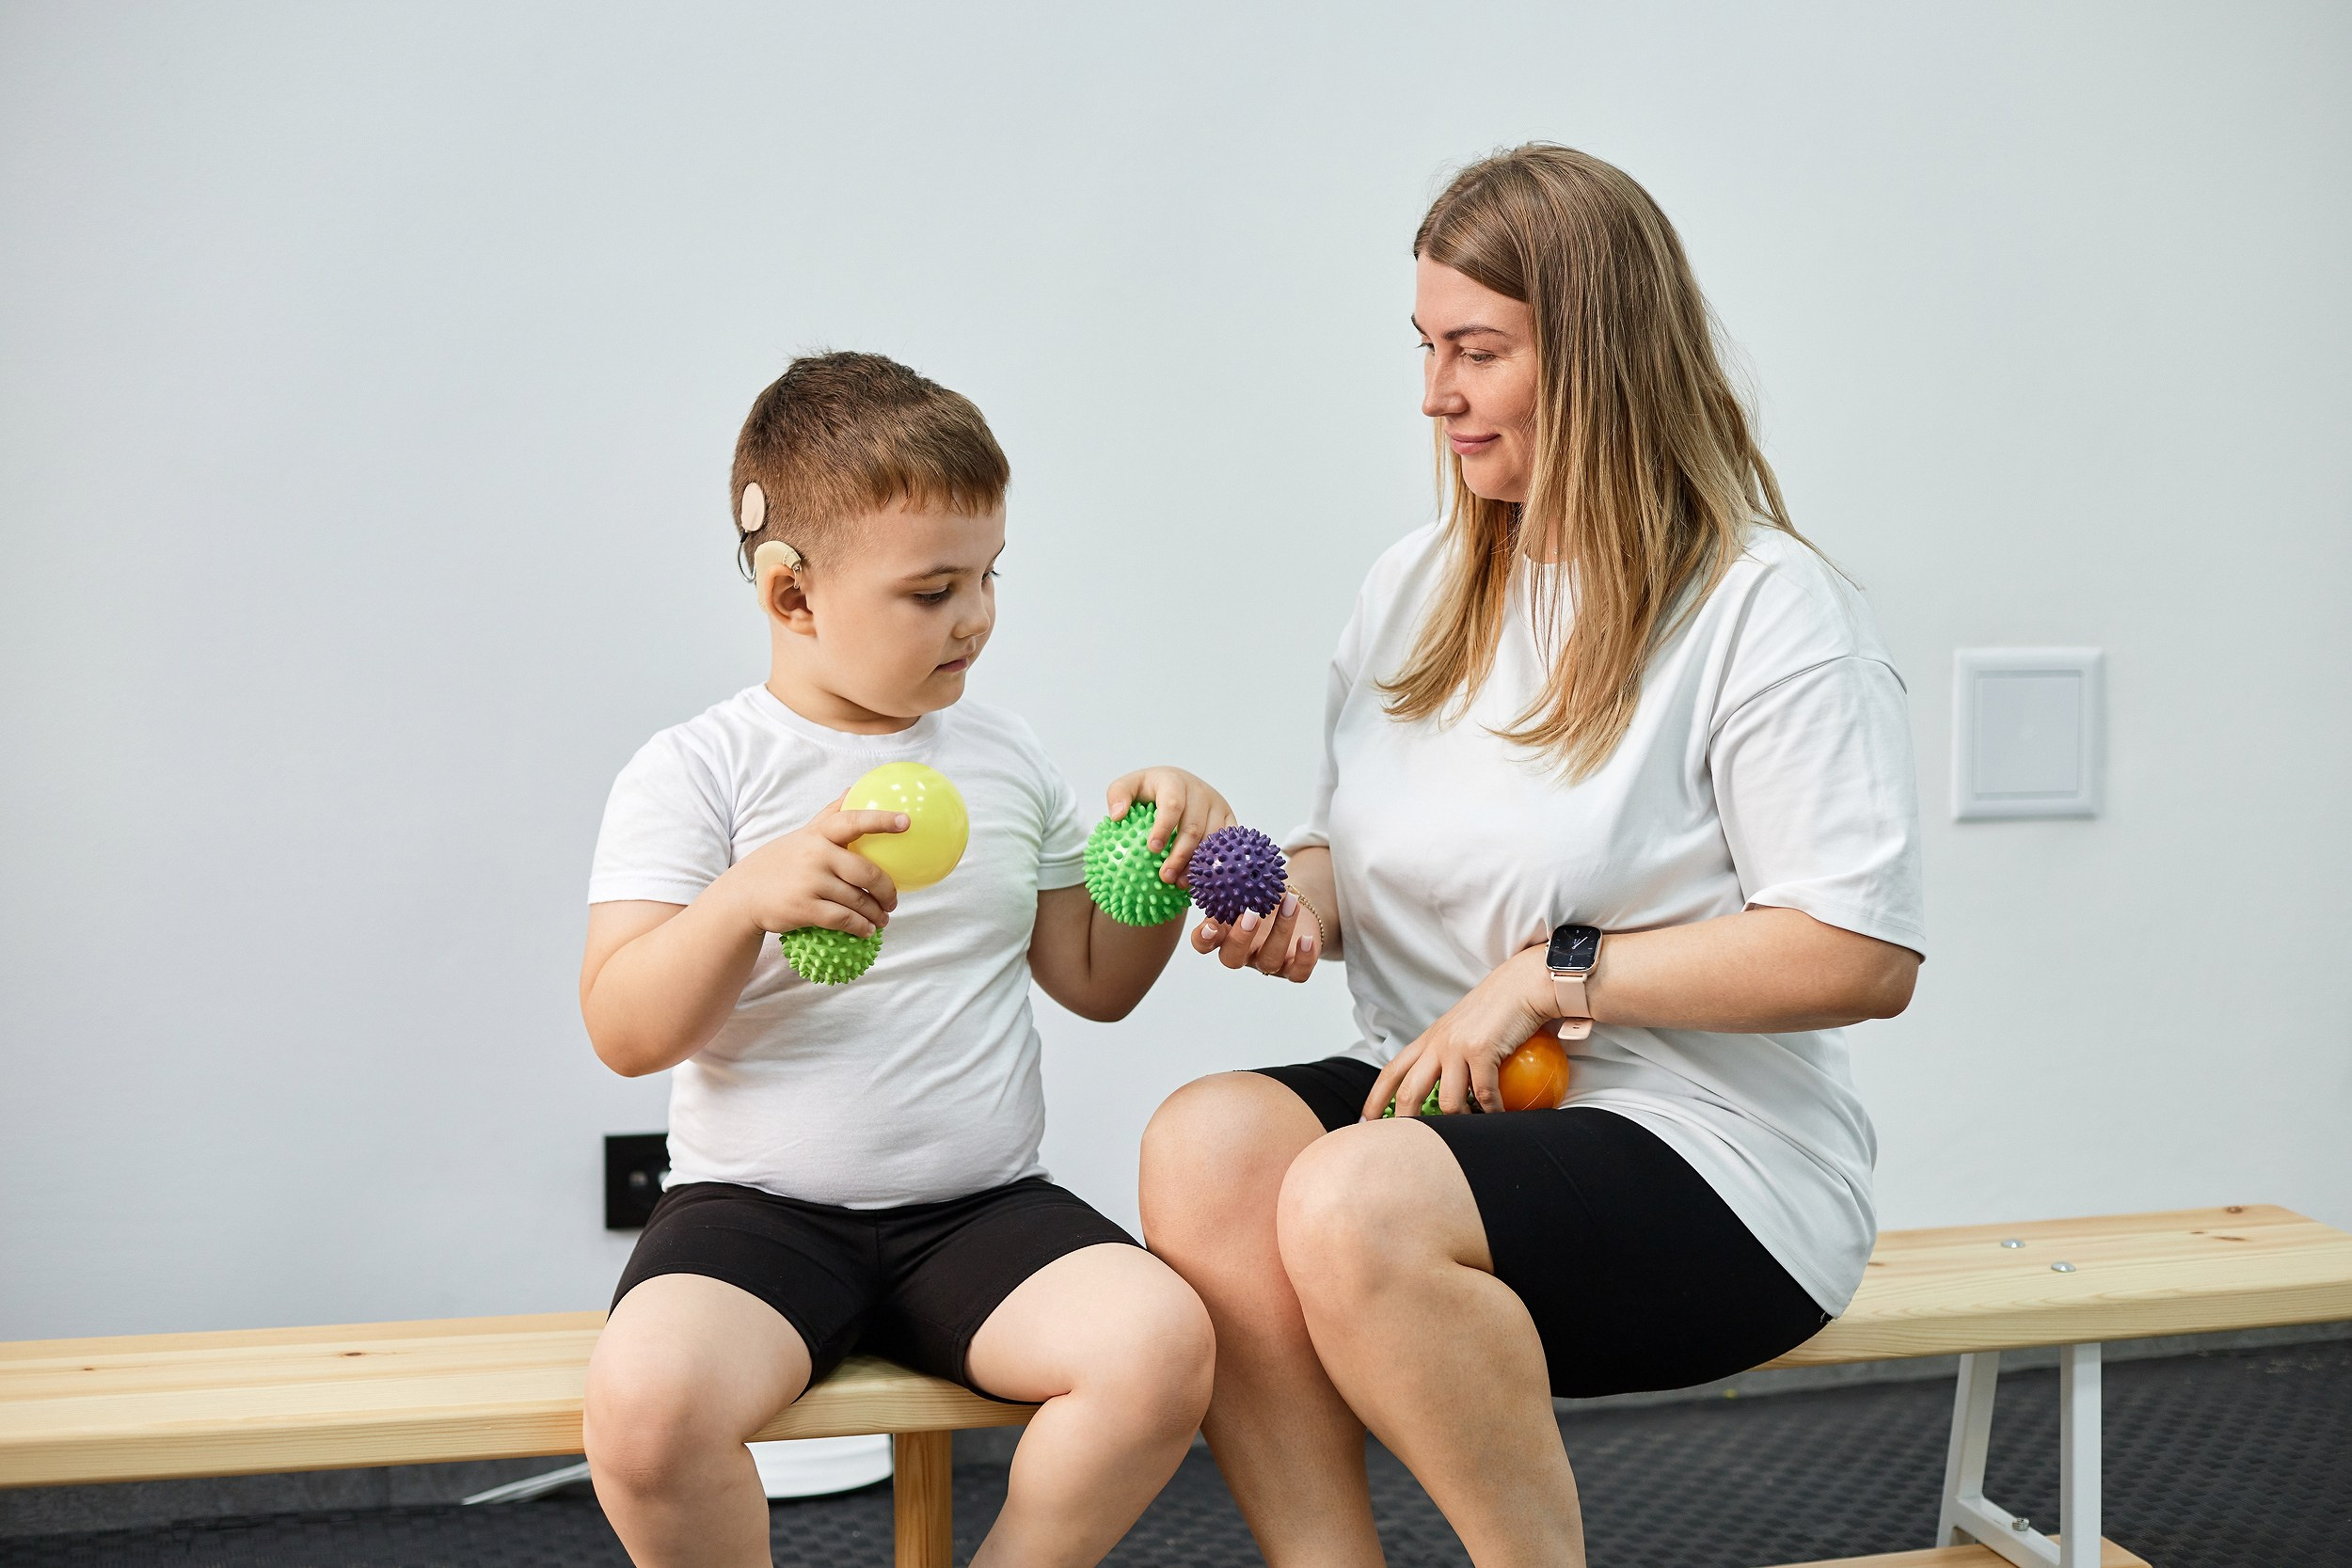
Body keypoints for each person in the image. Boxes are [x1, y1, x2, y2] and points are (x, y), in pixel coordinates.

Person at [1139, 145, 1927, 1566]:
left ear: (1604, 355)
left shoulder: (1766, 607)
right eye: (1428, 348)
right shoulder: (1414, 587)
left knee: (1346, 1190)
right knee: (1205, 1142)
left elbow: (1857, 954)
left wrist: (1551, 979)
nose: (1434, 393)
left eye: (1478, 351)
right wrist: (1271, 897)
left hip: (1714, 1157)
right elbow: (1359, 864)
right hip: (1460, 1120)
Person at [580, 353, 1230, 1568]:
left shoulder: (1006, 755)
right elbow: (623, 1031)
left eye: (988, 578)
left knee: (1160, 1346)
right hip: (757, 1215)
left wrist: (1159, 867)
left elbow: (1092, 983)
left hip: (977, 1213)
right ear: (792, 597)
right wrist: (740, 903)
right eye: (932, 591)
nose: (975, 617)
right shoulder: (699, 770)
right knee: (648, 1411)